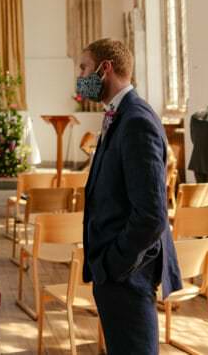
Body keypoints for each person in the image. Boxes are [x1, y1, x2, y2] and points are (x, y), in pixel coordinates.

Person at [77, 38, 181, 354]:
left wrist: (114, 265)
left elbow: (151, 215)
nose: (80, 76)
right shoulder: (120, 114)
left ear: (104, 68)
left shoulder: (136, 120)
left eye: (83, 67)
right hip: (116, 270)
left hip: (127, 273)